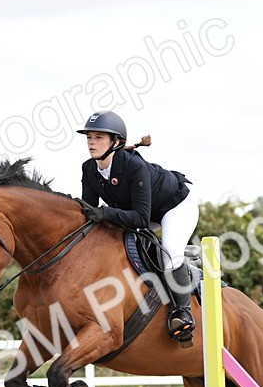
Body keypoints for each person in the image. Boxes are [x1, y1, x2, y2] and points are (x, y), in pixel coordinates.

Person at [77, 110, 199, 341]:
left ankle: (182, 313)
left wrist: (105, 212)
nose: (92, 142)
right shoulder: (89, 169)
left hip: (174, 207)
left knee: (170, 253)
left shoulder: (134, 166)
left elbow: (142, 219)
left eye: (98, 137)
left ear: (116, 142)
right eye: (89, 137)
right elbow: (89, 213)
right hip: (138, 211)